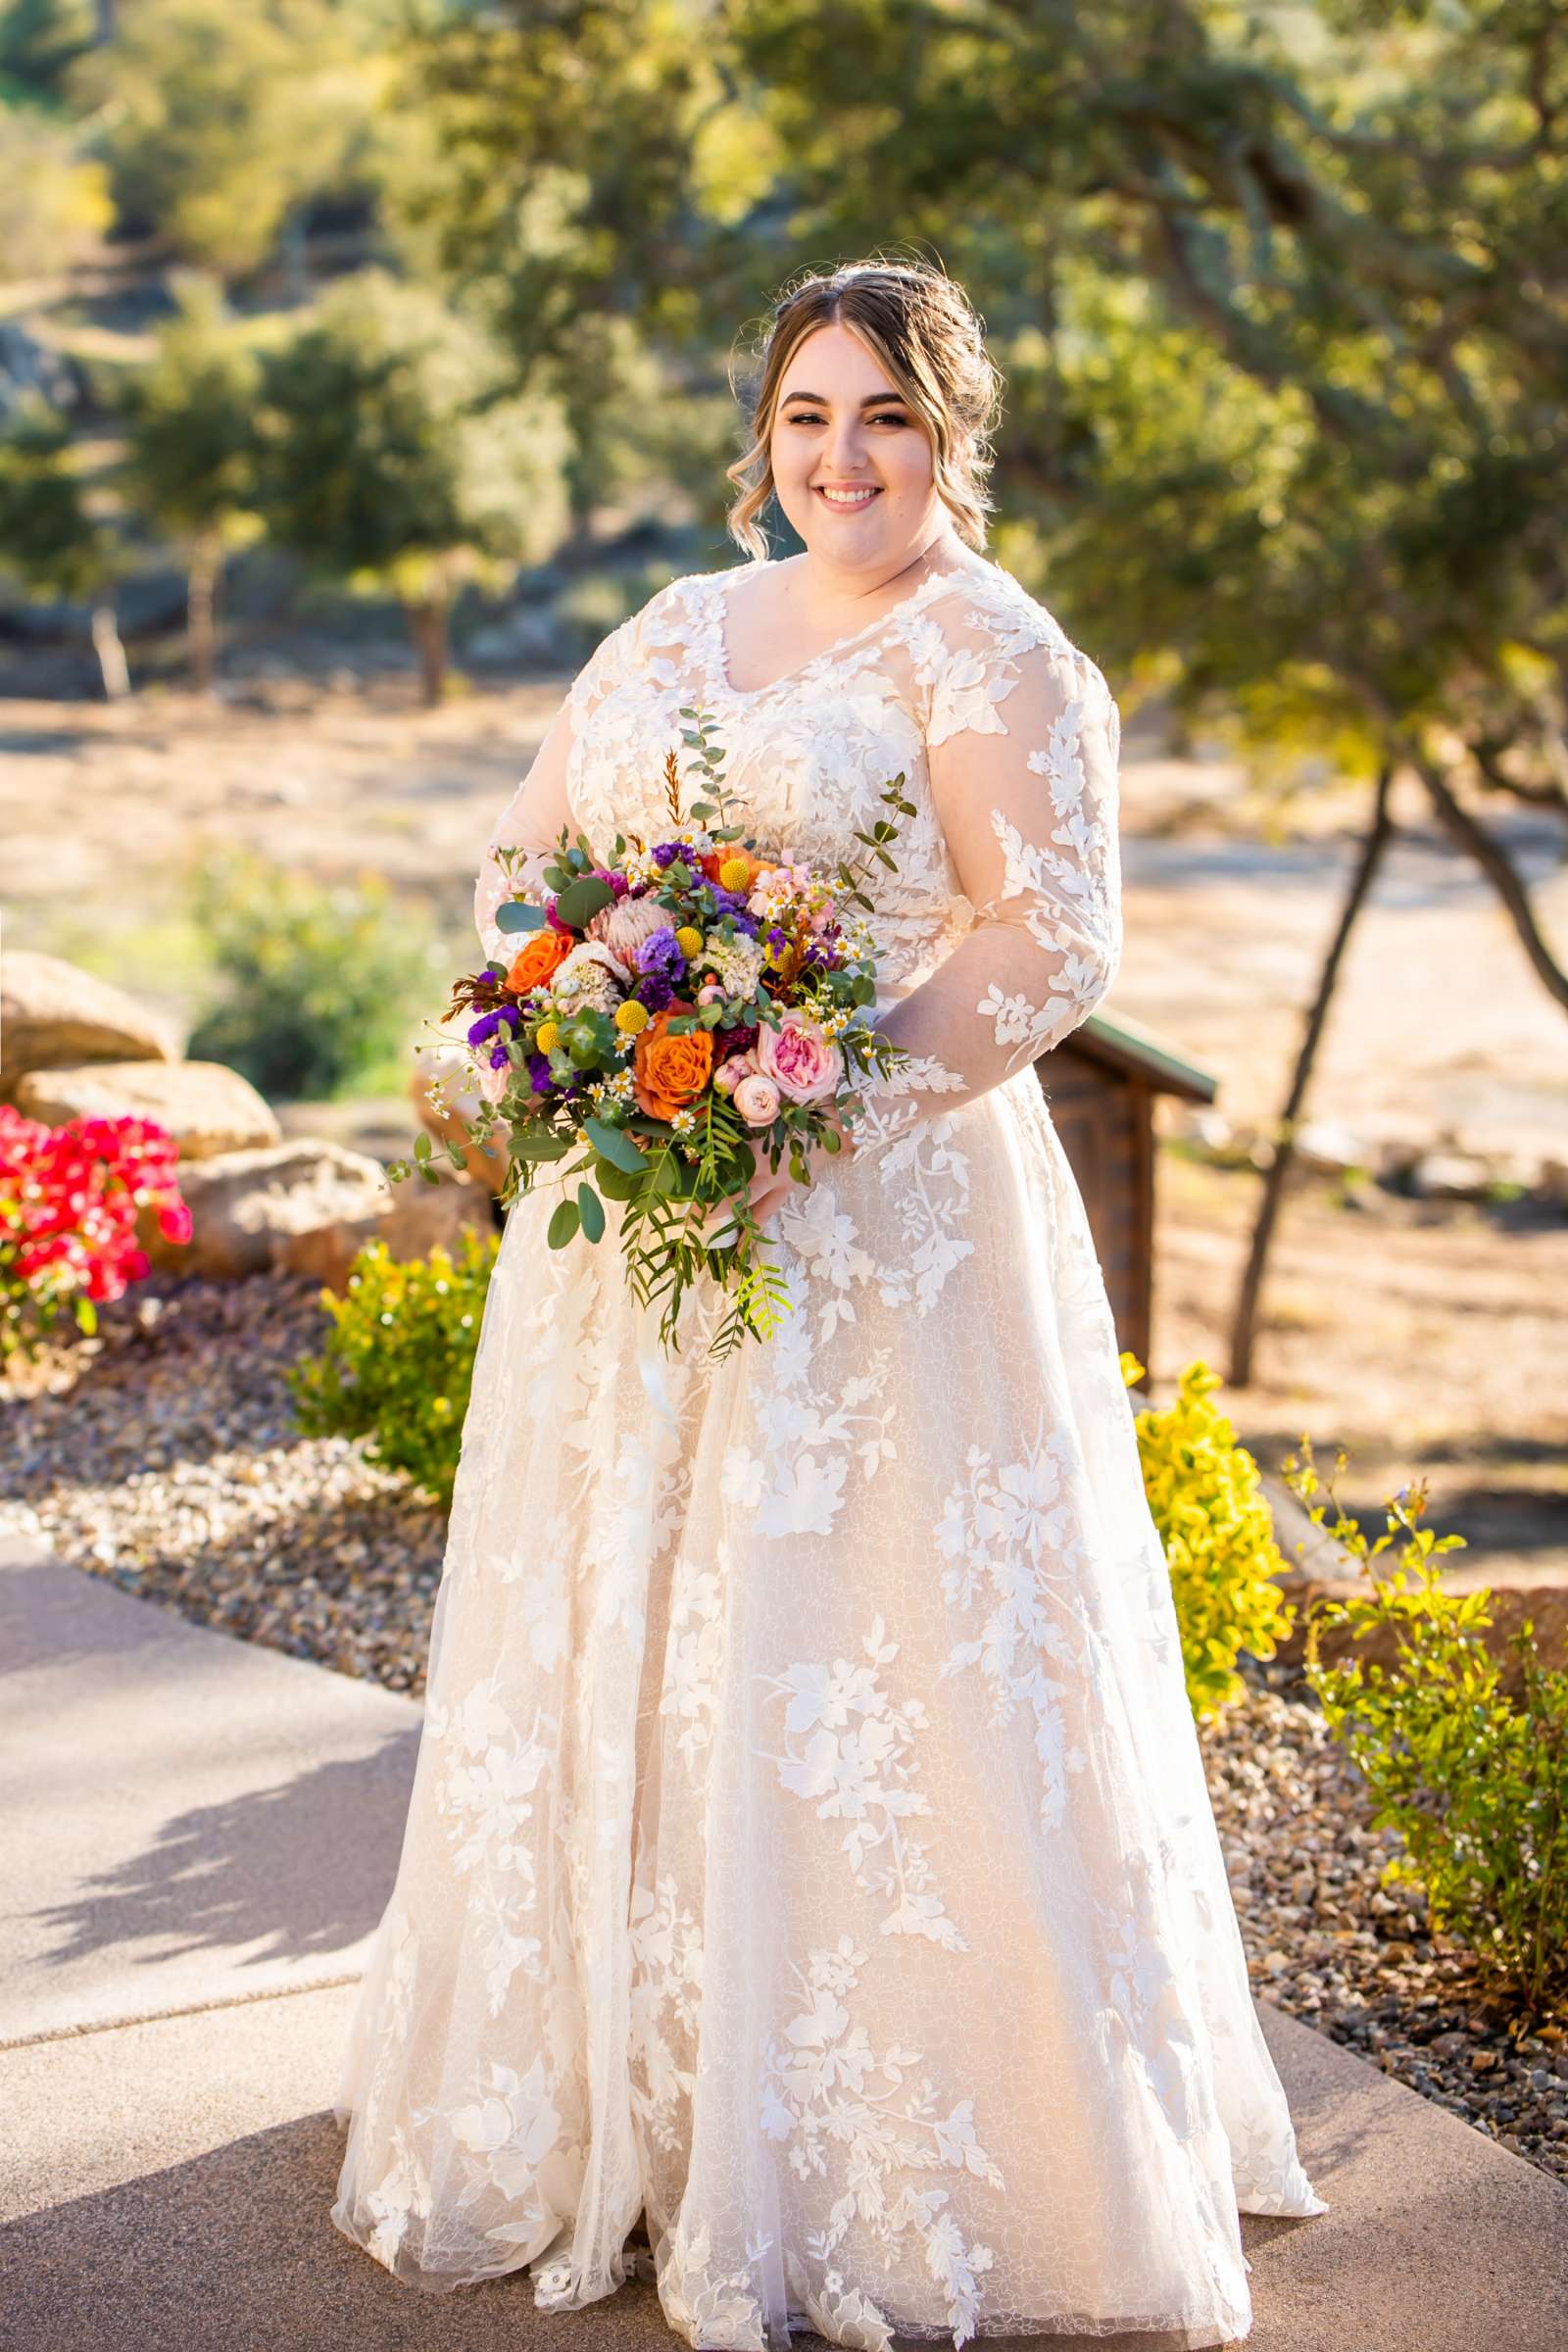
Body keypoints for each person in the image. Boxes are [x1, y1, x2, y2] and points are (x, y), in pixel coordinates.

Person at [330, 256, 1327, 2351]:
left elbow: (1048, 940)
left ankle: (898, 2152)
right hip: (636, 1239)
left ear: (950, 437)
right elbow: (527, 869)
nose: (839, 458)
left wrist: (807, 1098)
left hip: (877, 1241)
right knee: (639, 1626)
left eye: (882, 416)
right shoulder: (676, 626)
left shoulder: (995, 653)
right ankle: (643, 2109)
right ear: (760, 434)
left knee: (853, 1654)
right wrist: (564, 1025)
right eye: (805, 415)